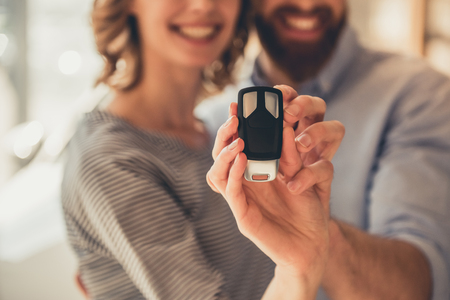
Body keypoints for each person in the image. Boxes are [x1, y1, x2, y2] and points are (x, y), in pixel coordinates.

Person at [61, 0, 344, 299]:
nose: (203, 5)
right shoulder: (111, 160)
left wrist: (304, 261)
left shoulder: (213, 133)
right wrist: (298, 270)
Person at [196, 0, 450, 299]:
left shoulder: (418, 93)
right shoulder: (211, 125)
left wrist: (324, 240)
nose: (306, 4)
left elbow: (420, 285)